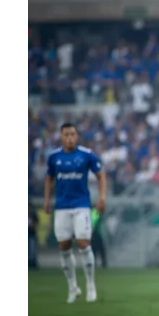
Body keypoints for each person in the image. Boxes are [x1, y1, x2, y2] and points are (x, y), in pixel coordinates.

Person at [44, 123, 106, 303]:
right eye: (66, 134)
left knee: (83, 242)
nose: (70, 138)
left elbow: (101, 175)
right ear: (61, 137)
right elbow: (48, 179)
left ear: (76, 136)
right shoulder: (54, 157)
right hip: (62, 206)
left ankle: (90, 285)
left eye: (72, 134)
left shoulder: (86, 155)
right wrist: (47, 200)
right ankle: (73, 288)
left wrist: (102, 197)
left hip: (82, 205)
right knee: (63, 247)